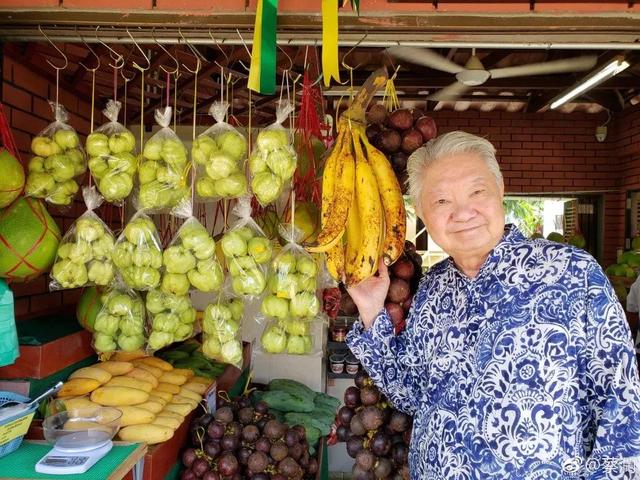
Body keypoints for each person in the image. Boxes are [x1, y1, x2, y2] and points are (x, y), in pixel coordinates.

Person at [346, 131, 640, 480]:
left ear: (500, 192)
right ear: (422, 214)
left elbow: (621, 406)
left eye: (477, 191)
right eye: (441, 201)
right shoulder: (433, 289)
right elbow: (411, 394)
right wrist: (370, 310)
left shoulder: (572, 274)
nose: (462, 212)